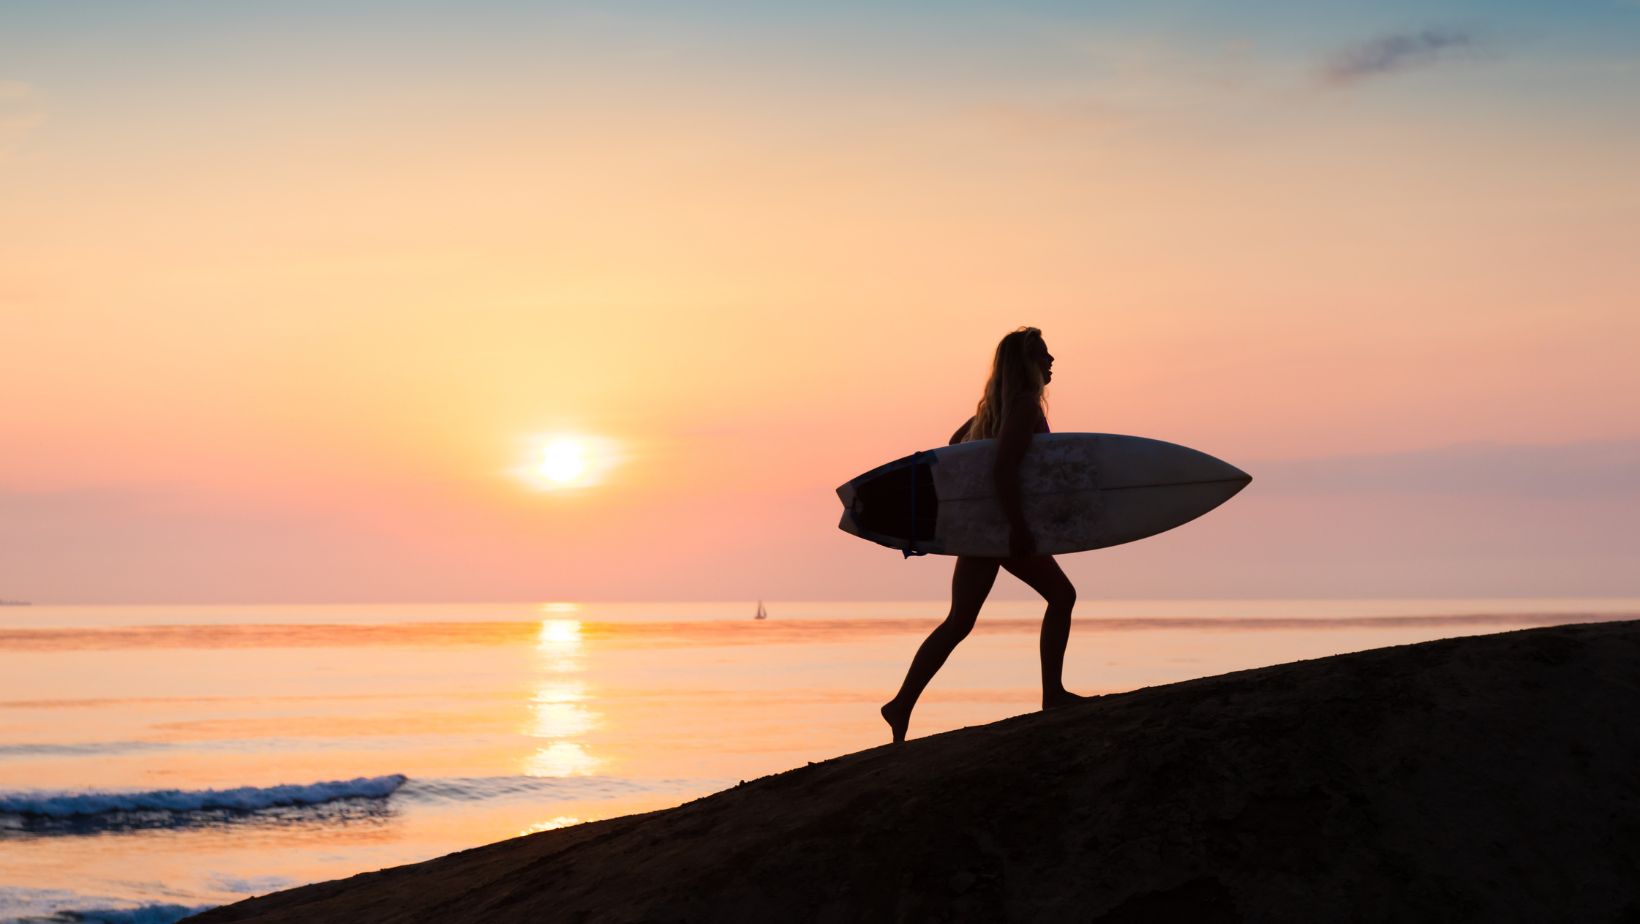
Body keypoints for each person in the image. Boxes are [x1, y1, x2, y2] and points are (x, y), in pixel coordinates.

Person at [880, 326, 1085, 744]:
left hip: (982, 530)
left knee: (959, 621)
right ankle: (1053, 694)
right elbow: (1002, 470)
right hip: (1002, 529)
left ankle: (900, 704)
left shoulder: (990, 413)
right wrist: (1019, 526)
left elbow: (955, 450)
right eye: (1043, 354)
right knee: (1062, 596)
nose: (1051, 361)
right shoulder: (1024, 407)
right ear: (1026, 364)